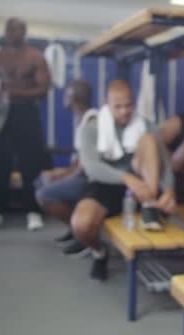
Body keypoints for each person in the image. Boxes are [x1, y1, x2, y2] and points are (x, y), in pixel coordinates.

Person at [70, 79, 174, 281]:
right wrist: (125, 178)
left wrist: (169, 189)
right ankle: (99, 253)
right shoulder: (93, 127)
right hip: (106, 185)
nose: (125, 111)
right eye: (118, 107)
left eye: (129, 105)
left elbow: (165, 161)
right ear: (107, 104)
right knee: (81, 225)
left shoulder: (146, 125)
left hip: (142, 187)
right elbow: (91, 166)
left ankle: (150, 207)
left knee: (150, 139)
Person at [0, 17, 51, 231]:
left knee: (31, 163)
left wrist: (12, 92)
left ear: (24, 32)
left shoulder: (35, 57)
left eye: (16, 29)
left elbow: (43, 89)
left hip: (27, 112)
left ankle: (33, 211)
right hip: (4, 113)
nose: (12, 33)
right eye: (9, 29)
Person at [35, 79, 94, 258]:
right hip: (83, 175)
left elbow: (86, 166)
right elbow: (78, 160)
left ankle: (82, 235)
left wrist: (65, 178)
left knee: (44, 195)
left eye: (66, 94)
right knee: (42, 180)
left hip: (91, 180)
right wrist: (62, 173)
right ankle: (73, 227)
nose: (63, 98)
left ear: (73, 97)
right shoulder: (81, 118)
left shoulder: (91, 120)